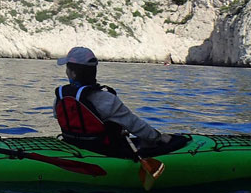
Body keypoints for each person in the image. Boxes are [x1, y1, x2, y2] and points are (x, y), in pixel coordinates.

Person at [52, 46, 185, 157]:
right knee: (149, 141)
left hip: (73, 146)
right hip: (103, 151)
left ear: (73, 74)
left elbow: (59, 116)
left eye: (67, 69)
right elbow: (134, 124)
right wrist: (158, 137)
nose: (66, 72)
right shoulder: (106, 99)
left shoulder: (60, 97)